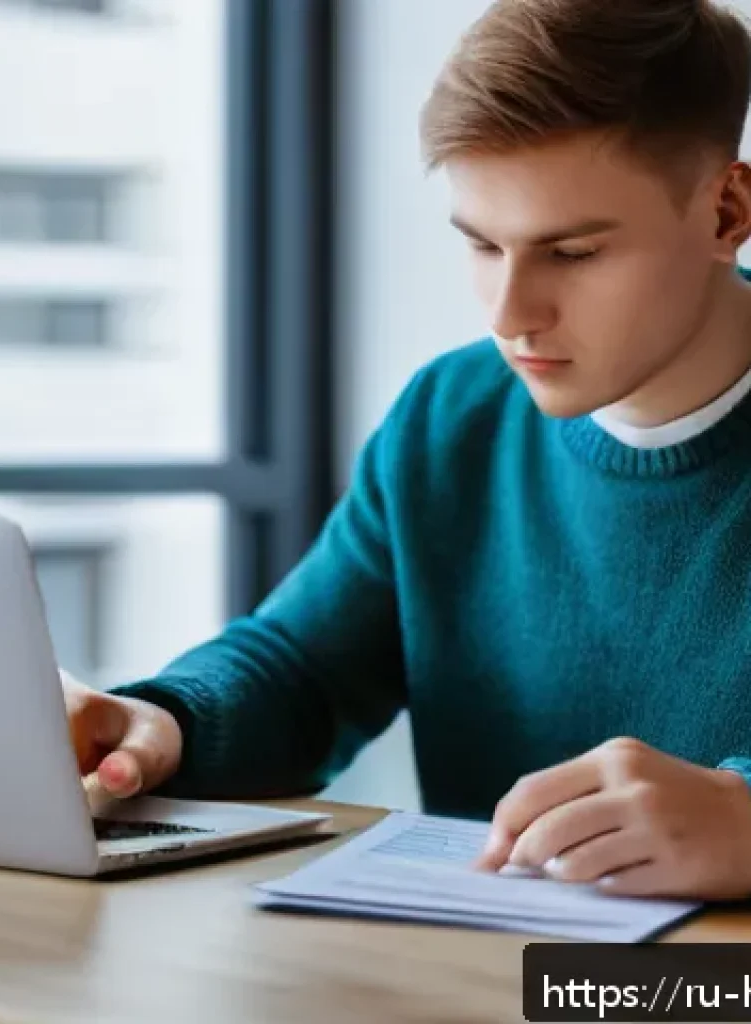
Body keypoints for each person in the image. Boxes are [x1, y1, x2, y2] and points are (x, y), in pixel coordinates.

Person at [63, 0, 751, 901]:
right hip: (474, 987)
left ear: (727, 211)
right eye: (481, 245)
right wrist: (163, 721)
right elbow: (304, 670)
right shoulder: (450, 415)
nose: (509, 315)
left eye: (574, 253)